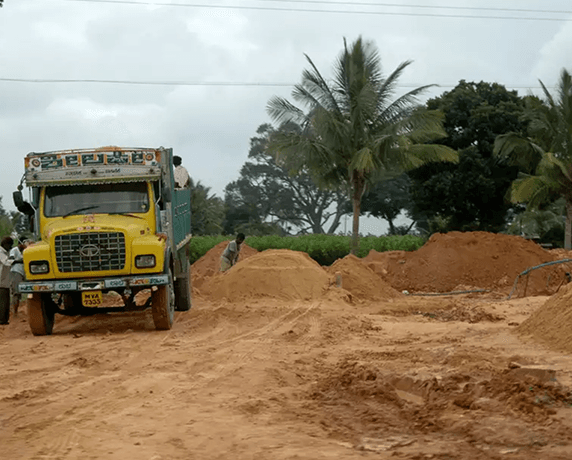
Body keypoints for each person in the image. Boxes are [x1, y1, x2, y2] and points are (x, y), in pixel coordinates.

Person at [9, 236, 28, 316]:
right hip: (16, 271)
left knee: (20, 293)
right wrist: (21, 260)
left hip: (23, 273)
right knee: (16, 292)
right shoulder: (14, 250)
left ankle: (17, 310)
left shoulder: (26, 251)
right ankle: (15, 312)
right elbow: (11, 260)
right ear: (20, 243)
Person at [0, 236, 14, 325]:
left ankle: (4, 319)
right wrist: (15, 261)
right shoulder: (0, 252)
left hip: (5, 281)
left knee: (6, 302)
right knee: (2, 302)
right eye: (10, 245)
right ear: (5, 244)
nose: (11, 247)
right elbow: (5, 262)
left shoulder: (5, 252)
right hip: (1, 281)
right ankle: (2, 320)